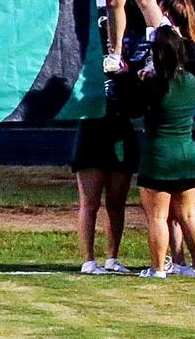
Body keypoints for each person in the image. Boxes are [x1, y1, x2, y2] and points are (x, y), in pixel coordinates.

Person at [125, 0, 195, 279]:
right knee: (188, 215)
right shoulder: (194, 82)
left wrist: (131, 77)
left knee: (158, 217)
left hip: (159, 154)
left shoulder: (154, 85)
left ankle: (159, 268)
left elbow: (132, 108)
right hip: (187, 153)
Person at [69, 81, 139, 274]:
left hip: (120, 136)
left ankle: (112, 258)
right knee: (89, 204)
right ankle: (89, 260)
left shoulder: (128, 66)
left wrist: (127, 78)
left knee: (116, 203)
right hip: (90, 136)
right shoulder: (85, 66)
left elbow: (136, 108)